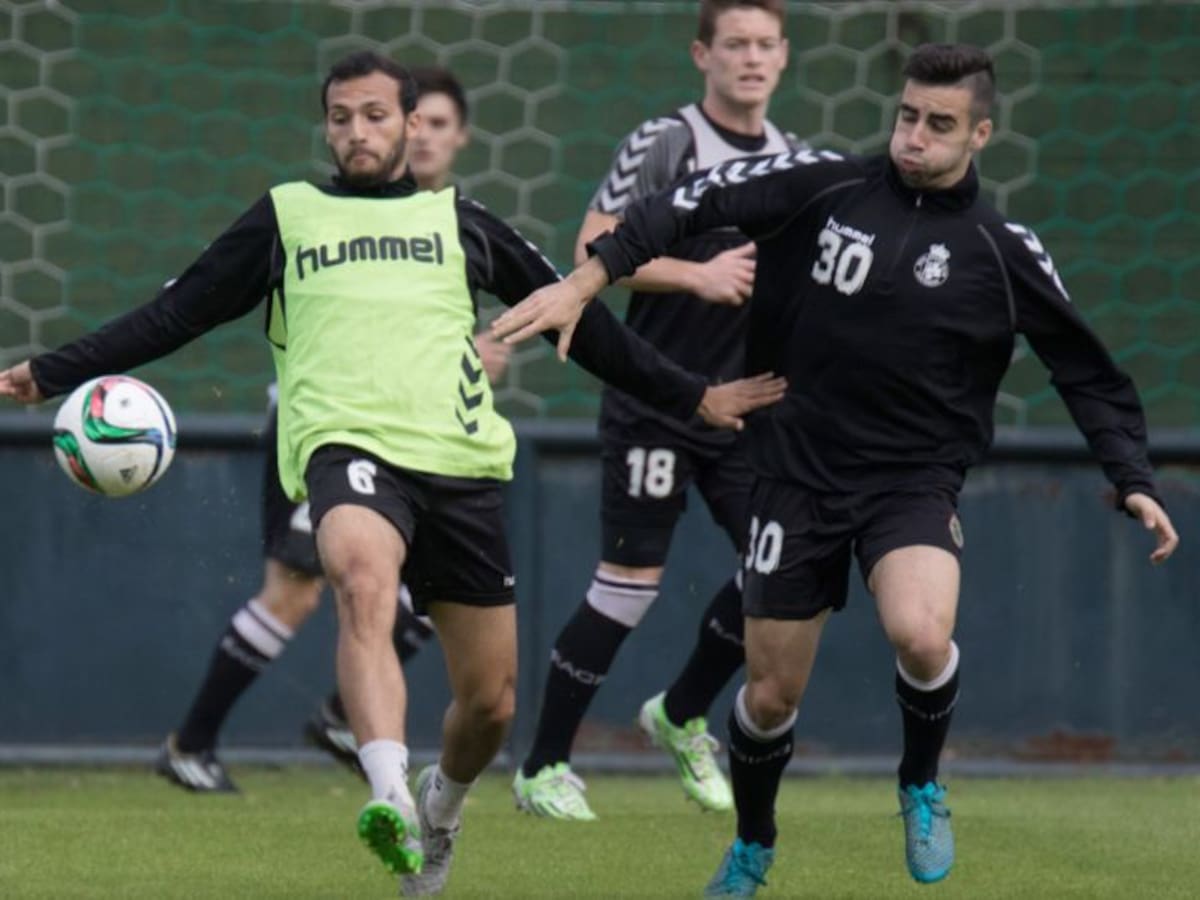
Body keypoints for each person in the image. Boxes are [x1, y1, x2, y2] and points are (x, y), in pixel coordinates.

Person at [0, 51, 785, 896]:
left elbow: (583, 324)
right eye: (340, 117)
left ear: (410, 124)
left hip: (458, 462)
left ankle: (439, 805)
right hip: (345, 448)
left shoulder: (463, 222)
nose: (356, 132)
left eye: (374, 115)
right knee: (360, 580)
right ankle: (388, 795)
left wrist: (692, 394)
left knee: (489, 704)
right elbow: (174, 314)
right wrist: (49, 373)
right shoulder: (286, 217)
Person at [491, 42, 1179, 897]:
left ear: (980, 134)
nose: (914, 137)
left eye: (939, 124)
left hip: (912, 482)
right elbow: (685, 204)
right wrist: (587, 280)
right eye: (907, 116)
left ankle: (920, 782)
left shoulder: (1003, 249)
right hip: (795, 474)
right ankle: (754, 842)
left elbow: (1086, 368)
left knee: (921, 633)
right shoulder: (821, 185)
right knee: (771, 697)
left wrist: (1134, 477)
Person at [153, 66, 511, 794]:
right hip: (326, 430)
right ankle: (194, 743)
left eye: (439, 125)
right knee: (298, 592)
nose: (419, 138)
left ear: (450, 135)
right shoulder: (317, 214)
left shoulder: (452, 225)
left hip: (421, 446)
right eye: (348, 118)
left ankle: (344, 716)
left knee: (423, 599)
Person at [513, 0, 802, 823]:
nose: (751, 58)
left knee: (782, 570)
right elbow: (590, 248)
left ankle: (680, 713)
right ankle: (542, 766)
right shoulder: (667, 142)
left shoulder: (791, 158)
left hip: (745, 408)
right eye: (735, 43)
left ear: (784, 56)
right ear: (702, 54)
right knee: (628, 589)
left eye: (765, 44)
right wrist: (697, 274)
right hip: (659, 401)